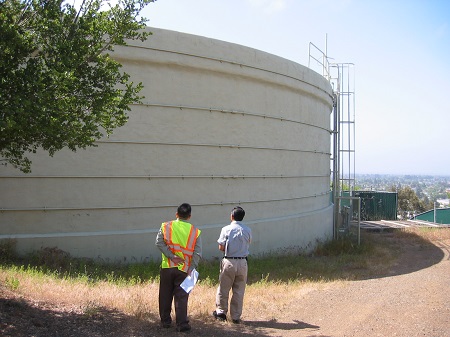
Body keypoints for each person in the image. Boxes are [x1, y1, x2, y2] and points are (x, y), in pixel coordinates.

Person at [155, 203, 202, 332]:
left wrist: (171, 256)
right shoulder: (195, 232)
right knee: (181, 296)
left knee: (165, 294)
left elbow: (159, 243)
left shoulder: (165, 226)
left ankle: (165, 321)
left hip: (167, 267)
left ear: (176, 214)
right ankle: (182, 324)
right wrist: (191, 268)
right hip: (184, 269)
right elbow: (197, 253)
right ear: (190, 216)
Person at [213, 206, 252, 324]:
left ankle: (221, 312)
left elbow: (221, 246)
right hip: (243, 262)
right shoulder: (248, 230)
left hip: (229, 261)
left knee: (224, 287)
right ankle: (235, 316)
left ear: (232, 216)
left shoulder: (226, 229)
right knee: (239, 289)